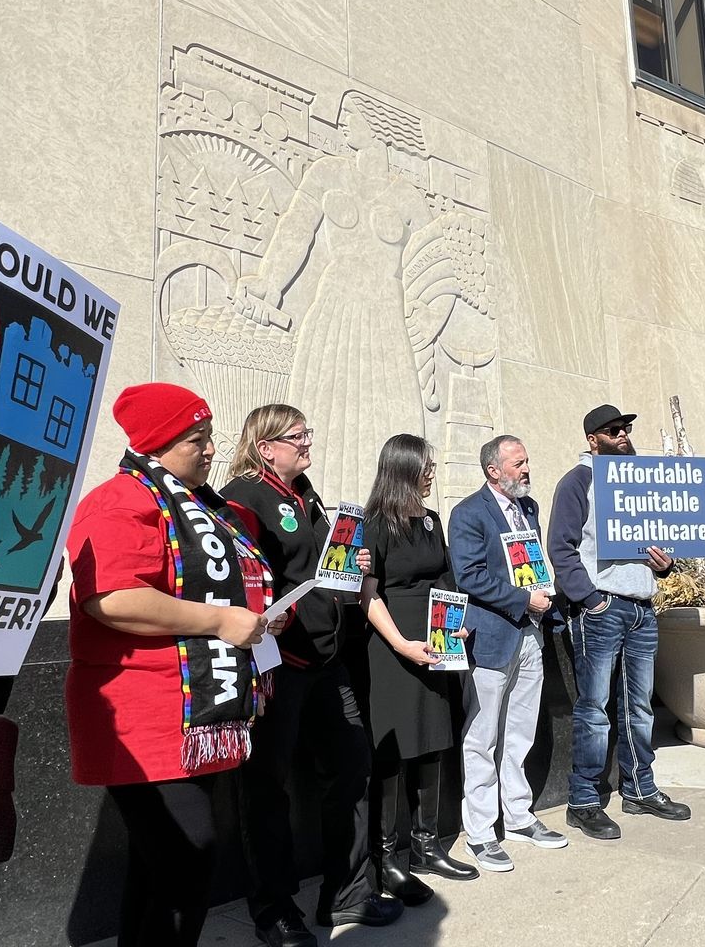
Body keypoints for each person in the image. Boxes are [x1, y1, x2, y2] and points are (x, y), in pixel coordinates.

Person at [64, 383, 274, 947]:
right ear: (157, 445)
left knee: (163, 868)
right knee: (186, 859)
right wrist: (220, 621)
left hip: (190, 712)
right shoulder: (118, 501)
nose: (210, 450)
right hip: (143, 714)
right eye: (195, 440)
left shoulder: (206, 507)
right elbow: (111, 599)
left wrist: (254, 620)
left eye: (208, 437)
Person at [219, 405, 400, 945]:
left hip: (327, 659)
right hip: (279, 661)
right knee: (266, 788)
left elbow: (325, 570)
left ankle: (345, 896)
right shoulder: (242, 497)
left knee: (352, 767)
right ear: (266, 445)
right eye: (298, 436)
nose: (308, 443)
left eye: (308, 434)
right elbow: (241, 572)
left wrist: (356, 565)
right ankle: (274, 911)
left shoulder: (311, 497)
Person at [549, 405, 690, 840]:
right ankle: (584, 800)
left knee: (640, 707)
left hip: (642, 606)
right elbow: (561, 547)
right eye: (614, 430)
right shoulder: (579, 481)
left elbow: (661, 544)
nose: (624, 435)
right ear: (594, 439)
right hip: (602, 608)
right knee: (594, 710)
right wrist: (590, 600)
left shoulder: (639, 484)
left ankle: (639, 789)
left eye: (626, 428)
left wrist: (665, 565)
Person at [359, 434, 479, 896]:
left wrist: (454, 629)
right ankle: (385, 858)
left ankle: (426, 846)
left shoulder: (431, 520)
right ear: (405, 468)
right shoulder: (374, 524)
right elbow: (367, 594)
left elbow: (445, 580)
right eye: (426, 466)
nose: (432, 472)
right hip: (392, 650)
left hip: (435, 648)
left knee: (431, 743)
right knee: (392, 753)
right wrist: (402, 644)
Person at [449, 435, 566, 871]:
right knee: (482, 738)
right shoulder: (468, 514)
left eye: (527, 460)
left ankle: (518, 815)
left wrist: (540, 601)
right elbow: (470, 576)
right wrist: (523, 600)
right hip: (491, 639)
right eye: (518, 463)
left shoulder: (528, 510)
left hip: (530, 637)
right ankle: (480, 831)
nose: (526, 469)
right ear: (493, 470)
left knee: (520, 733)